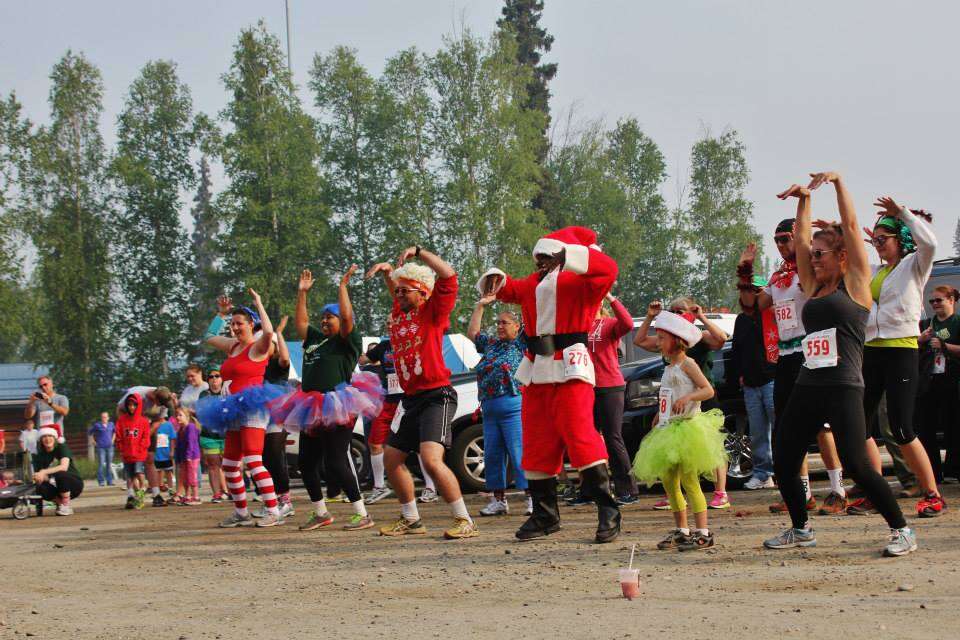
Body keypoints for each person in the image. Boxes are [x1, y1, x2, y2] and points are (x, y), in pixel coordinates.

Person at [763, 173, 915, 557]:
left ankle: (902, 530)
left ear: (842, 256)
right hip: (808, 383)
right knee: (783, 456)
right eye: (812, 254)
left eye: (820, 253)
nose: (812, 258)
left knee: (859, 466)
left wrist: (837, 183)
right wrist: (803, 200)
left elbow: (848, 225)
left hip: (844, 385)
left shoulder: (857, 285)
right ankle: (801, 529)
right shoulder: (813, 288)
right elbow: (799, 242)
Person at [478, 226, 621, 543]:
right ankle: (545, 514)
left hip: (571, 368)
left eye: (547, 257)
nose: (540, 263)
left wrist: (572, 255)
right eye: (538, 258)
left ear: (561, 256)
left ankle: (608, 510)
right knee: (537, 441)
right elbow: (509, 289)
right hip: (537, 369)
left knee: (580, 435)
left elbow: (608, 269)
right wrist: (495, 281)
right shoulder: (533, 284)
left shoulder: (582, 283)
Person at [737, 218, 849, 515]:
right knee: (789, 426)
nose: (781, 245)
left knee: (822, 426)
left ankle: (838, 489)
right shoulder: (777, 277)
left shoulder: (812, 270)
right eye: (776, 240)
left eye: (786, 238)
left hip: (810, 349)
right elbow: (753, 306)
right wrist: (746, 272)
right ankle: (802, 494)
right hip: (786, 356)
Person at [367, 245, 478, 540]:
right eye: (397, 292)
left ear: (422, 293)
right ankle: (411, 519)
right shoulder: (400, 315)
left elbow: (449, 277)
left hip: (436, 395)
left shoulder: (432, 314)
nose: (399, 295)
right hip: (411, 399)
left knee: (430, 459)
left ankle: (464, 519)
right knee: (391, 459)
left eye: (405, 291)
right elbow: (398, 290)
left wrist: (418, 252)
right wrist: (390, 274)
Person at [270, 266, 382, 532]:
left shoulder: (346, 341)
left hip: (336, 405)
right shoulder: (316, 340)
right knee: (307, 463)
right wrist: (302, 294)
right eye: (322, 318)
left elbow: (345, 317)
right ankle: (320, 513)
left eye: (329, 317)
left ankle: (362, 513)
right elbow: (300, 324)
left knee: (336, 460)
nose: (324, 322)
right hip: (310, 406)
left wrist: (343, 287)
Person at [855, 200, 944, 518]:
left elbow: (930, 242)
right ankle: (872, 490)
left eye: (884, 239)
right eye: (874, 240)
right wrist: (843, 237)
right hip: (872, 349)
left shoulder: (915, 265)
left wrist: (902, 214)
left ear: (899, 240)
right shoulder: (877, 271)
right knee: (860, 426)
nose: (878, 245)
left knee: (902, 427)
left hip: (901, 350)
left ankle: (932, 494)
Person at [633, 311, 727, 550]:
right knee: (669, 482)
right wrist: (659, 414)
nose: (658, 342)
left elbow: (707, 390)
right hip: (668, 428)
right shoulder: (668, 367)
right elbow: (667, 395)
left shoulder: (688, 364)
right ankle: (681, 530)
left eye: (662, 338)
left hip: (687, 429)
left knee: (689, 481)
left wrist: (688, 397)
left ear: (676, 340)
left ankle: (703, 531)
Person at [197, 289, 285, 528]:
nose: (235, 328)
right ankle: (241, 512)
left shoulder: (257, 347)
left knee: (254, 460)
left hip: (253, 408)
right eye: (233, 324)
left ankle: (273, 509)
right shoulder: (232, 347)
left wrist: (258, 302)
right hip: (232, 409)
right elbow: (208, 335)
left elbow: (268, 331)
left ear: (250, 325)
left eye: (239, 324)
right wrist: (221, 314)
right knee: (229, 464)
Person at [467, 293, 529, 517]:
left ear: (517, 326)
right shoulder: (491, 345)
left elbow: (533, 323)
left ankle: (531, 498)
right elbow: (473, 333)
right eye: (498, 323)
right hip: (490, 408)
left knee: (518, 452)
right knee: (492, 454)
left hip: (513, 406)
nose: (500, 326)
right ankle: (498, 500)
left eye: (505, 322)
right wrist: (480, 305)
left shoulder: (521, 344)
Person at [588, 291, 639, 504]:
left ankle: (628, 490)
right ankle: (593, 490)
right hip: (586, 387)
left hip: (610, 386)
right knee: (588, 439)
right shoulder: (580, 326)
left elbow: (627, 324)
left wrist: (610, 297)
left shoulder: (608, 323)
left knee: (613, 437)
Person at [728, 279, 777, 489]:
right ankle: (763, 473)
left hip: (772, 379)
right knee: (757, 432)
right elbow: (736, 350)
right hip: (750, 384)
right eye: (743, 291)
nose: (745, 295)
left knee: (780, 428)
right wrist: (738, 374)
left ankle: (786, 472)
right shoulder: (741, 320)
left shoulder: (770, 314)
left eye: (750, 290)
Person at [917, 286, 960, 482]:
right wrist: (920, 340)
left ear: (952, 300)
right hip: (929, 380)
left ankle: (953, 469)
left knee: (953, 427)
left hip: (952, 379)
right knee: (926, 427)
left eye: (939, 300)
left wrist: (945, 346)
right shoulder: (926, 324)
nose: (934, 304)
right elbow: (910, 348)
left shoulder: (957, 322)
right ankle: (933, 472)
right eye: (932, 301)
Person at [256, 315, 295, 520]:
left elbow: (286, 358)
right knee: (261, 459)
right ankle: (270, 500)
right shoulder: (257, 365)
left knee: (273, 456)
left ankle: (285, 500)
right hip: (259, 415)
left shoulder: (279, 365)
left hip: (277, 414)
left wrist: (279, 333)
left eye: (268, 344)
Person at [361, 336, 399, 505]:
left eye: (394, 320)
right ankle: (379, 486)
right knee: (374, 443)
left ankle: (430, 488)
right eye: (388, 322)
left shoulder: (416, 339)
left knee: (420, 445)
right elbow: (363, 359)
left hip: (411, 400)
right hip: (388, 401)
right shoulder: (384, 346)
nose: (391, 324)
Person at [32, 427, 83, 516]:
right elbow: (42, 476)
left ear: (55, 438)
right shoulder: (38, 454)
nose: (47, 439)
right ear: (40, 440)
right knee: (36, 486)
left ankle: (65, 505)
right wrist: (38, 477)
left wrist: (43, 471)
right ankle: (60, 503)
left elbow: (64, 467)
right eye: (44, 437)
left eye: (50, 436)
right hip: (55, 484)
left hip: (73, 484)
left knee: (60, 474)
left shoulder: (62, 447)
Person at [115, 393, 150, 510]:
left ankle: (141, 493)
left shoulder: (143, 421)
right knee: (130, 476)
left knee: (139, 473)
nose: (131, 407)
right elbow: (119, 436)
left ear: (138, 405)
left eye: (134, 405)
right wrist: (121, 448)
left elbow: (146, 437)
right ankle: (133, 496)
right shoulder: (122, 420)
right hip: (127, 453)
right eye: (129, 405)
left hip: (139, 454)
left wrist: (141, 449)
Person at [198, 368, 228, 502]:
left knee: (232, 465)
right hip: (209, 436)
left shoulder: (228, 393)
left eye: (217, 376)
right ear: (207, 380)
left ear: (222, 379)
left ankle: (231, 491)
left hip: (228, 435)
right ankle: (217, 494)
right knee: (213, 465)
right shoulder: (204, 395)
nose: (214, 379)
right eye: (211, 377)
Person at [24, 375, 69, 442]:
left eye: (45, 384)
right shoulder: (37, 401)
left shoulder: (61, 398)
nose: (43, 387)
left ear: (52, 384)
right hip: (42, 436)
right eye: (41, 386)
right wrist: (31, 402)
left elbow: (65, 412)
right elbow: (28, 416)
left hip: (57, 436)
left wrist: (50, 403)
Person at [173, 407, 202, 505]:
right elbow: (178, 446)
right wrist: (178, 458)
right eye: (176, 415)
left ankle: (196, 496)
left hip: (192, 457)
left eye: (180, 415)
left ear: (187, 417)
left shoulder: (191, 427)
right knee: (184, 477)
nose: (178, 417)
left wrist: (188, 456)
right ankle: (187, 495)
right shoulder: (180, 429)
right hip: (184, 458)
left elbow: (191, 443)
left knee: (191, 476)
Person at [151, 416, 176, 506]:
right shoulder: (153, 425)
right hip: (157, 453)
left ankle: (170, 489)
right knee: (157, 472)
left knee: (168, 471)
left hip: (166, 453)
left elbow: (172, 438)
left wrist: (172, 451)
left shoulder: (169, 425)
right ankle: (158, 489)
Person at [88, 412, 116, 486]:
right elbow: (90, 433)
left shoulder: (111, 424)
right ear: (101, 418)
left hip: (110, 447)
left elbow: (115, 432)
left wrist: (112, 440)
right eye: (103, 417)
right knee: (101, 464)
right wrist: (94, 441)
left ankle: (109, 481)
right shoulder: (97, 425)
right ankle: (101, 481)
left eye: (105, 417)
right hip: (101, 447)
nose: (104, 418)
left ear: (108, 417)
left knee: (109, 464)